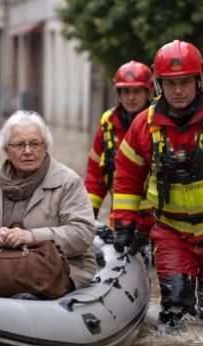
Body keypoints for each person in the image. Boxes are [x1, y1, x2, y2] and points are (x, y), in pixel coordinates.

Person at [112, 40, 203, 325]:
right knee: (175, 312)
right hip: (172, 232)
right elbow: (127, 178)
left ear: (199, 80)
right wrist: (125, 225)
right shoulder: (144, 125)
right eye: (170, 84)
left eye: (184, 82)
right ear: (158, 85)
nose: (178, 91)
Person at [0, 110, 97, 293]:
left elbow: (82, 232)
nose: (28, 151)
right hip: (3, 264)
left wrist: (32, 236)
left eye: (35, 143)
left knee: (26, 298)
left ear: (45, 146)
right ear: (6, 150)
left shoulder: (68, 182)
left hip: (62, 267)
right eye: (19, 145)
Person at [85, 60, 153, 226]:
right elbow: (95, 176)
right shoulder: (108, 123)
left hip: (158, 223)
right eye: (125, 91)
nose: (131, 97)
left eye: (137, 91)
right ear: (118, 93)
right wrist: (86, 216)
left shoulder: (159, 122)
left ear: (148, 92)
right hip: (121, 221)